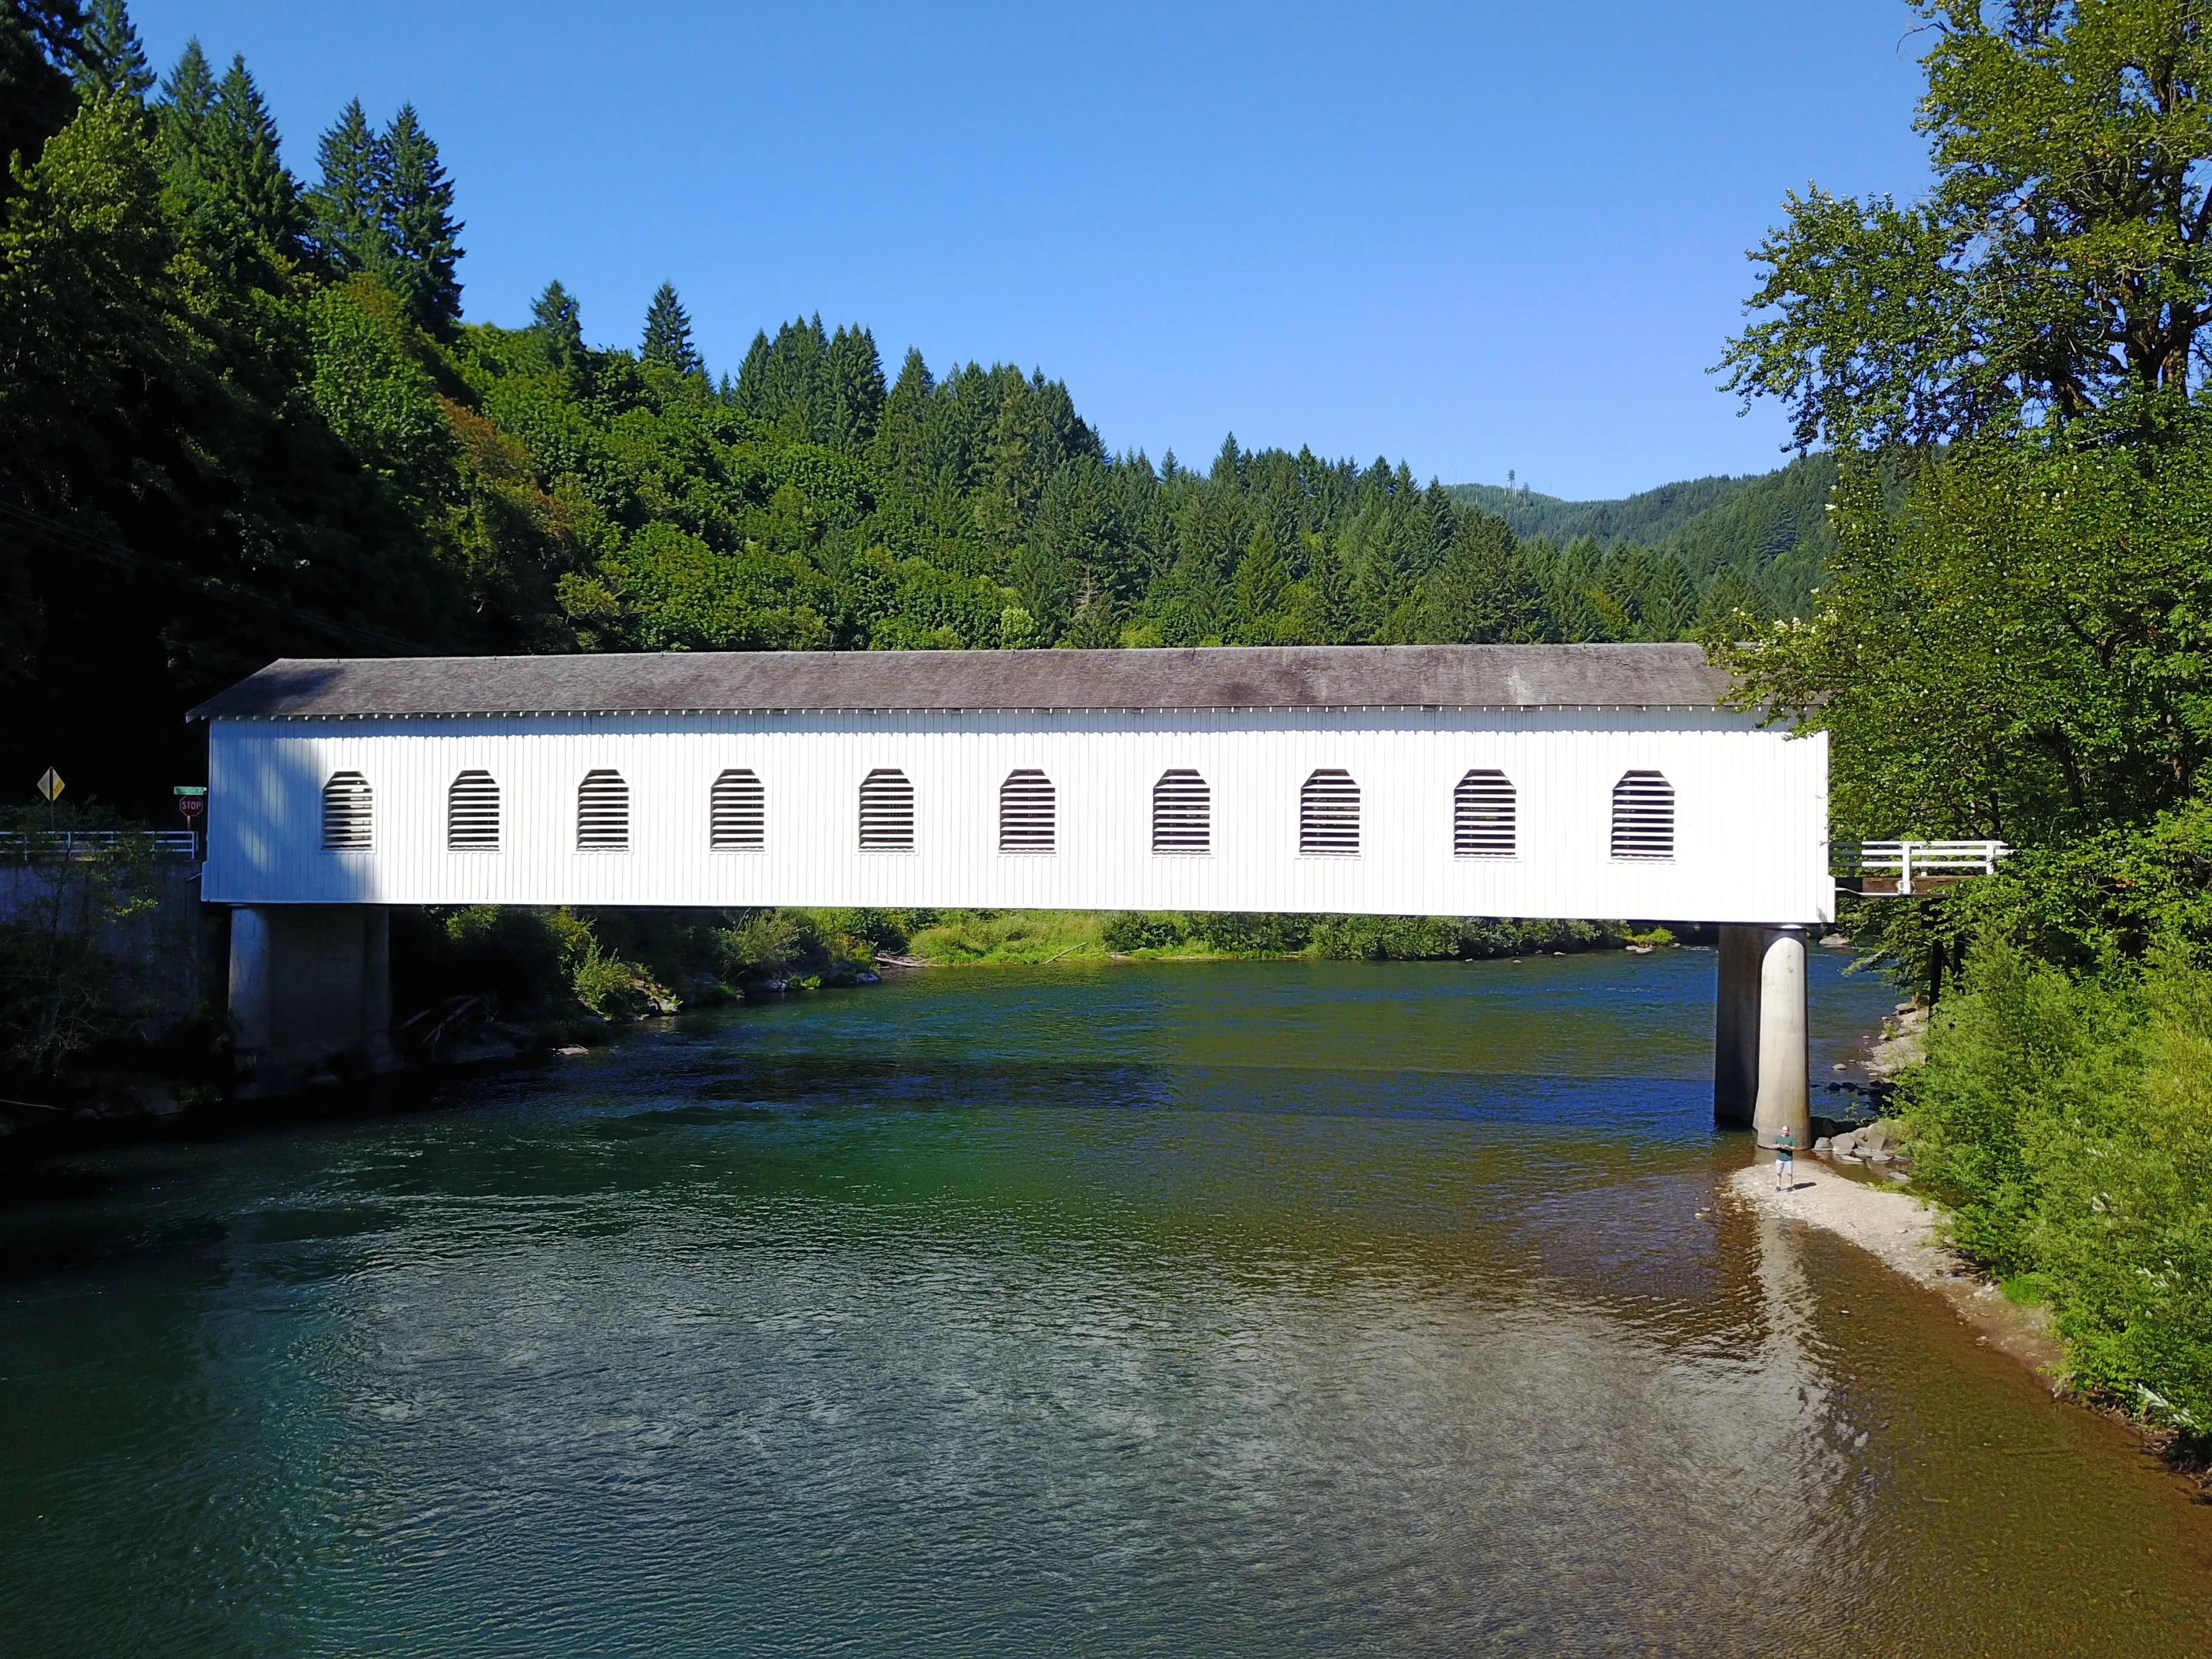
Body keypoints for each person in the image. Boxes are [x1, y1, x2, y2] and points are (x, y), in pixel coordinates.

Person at [1773, 1124, 1796, 1191]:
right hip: (1779, 1158)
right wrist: (1777, 1146)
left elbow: (1794, 1148)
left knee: (1789, 1173)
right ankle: (1778, 1186)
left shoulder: (1791, 1138)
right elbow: (1773, 1145)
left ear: (1788, 1131)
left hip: (1788, 1159)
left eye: (1786, 1131)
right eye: (1784, 1130)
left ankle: (1790, 1186)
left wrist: (1788, 1147)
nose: (1785, 1132)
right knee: (1778, 1172)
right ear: (1781, 1130)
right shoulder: (1778, 1137)